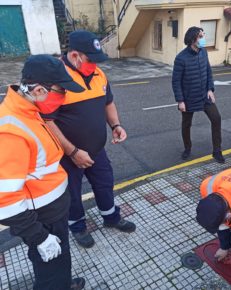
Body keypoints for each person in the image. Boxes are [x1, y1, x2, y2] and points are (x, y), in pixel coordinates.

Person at [42, 30, 136, 249]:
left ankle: (111, 217)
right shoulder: (55, 78)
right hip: (68, 156)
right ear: (75, 56)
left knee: (105, 183)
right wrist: (73, 152)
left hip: (96, 149)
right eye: (91, 60)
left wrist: (116, 125)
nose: (95, 64)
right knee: (72, 194)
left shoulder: (99, 75)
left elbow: (107, 103)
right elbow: (47, 121)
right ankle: (78, 227)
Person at [0, 55, 85, 290]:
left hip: (53, 213)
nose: (64, 98)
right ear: (38, 90)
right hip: (42, 221)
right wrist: (39, 237)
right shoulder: (11, 132)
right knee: (49, 276)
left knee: (60, 264)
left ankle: (64, 284)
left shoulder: (29, 109)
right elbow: (4, 201)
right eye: (61, 92)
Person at [172, 26, 224, 163]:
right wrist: (180, 101)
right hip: (188, 98)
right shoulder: (181, 58)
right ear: (192, 39)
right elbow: (176, 81)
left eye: (203, 35)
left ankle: (217, 151)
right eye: (200, 36)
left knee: (216, 118)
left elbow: (208, 72)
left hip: (204, 96)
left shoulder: (203, 52)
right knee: (186, 124)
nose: (203, 39)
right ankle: (187, 149)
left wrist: (210, 89)